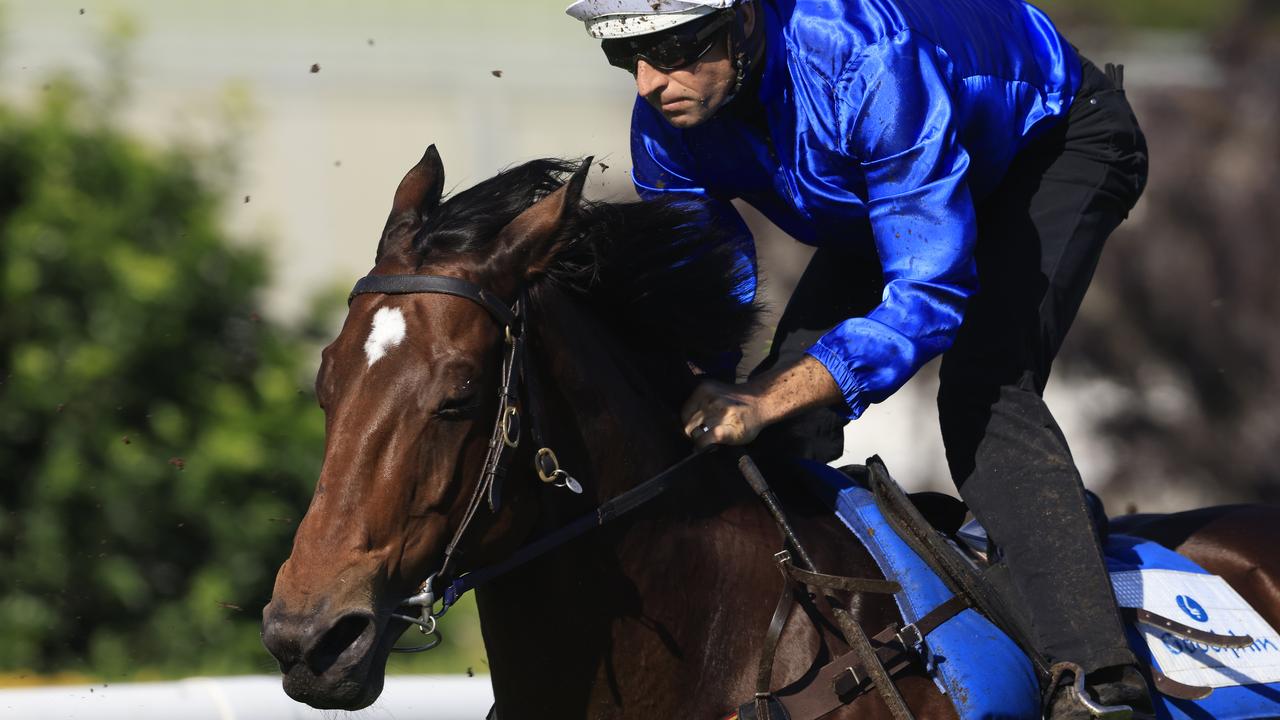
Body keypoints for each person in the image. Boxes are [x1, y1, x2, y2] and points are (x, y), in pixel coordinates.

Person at [564, 0, 1150, 717]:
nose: (650, 84)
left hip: (1051, 143)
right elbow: (704, 296)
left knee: (981, 387)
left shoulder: (865, 58)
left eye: (676, 49)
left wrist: (766, 396)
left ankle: (1099, 678)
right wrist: (704, 386)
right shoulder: (665, 120)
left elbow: (930, 295)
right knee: (774, 425)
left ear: (746, 18)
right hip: (891, 186)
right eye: (627, 58)